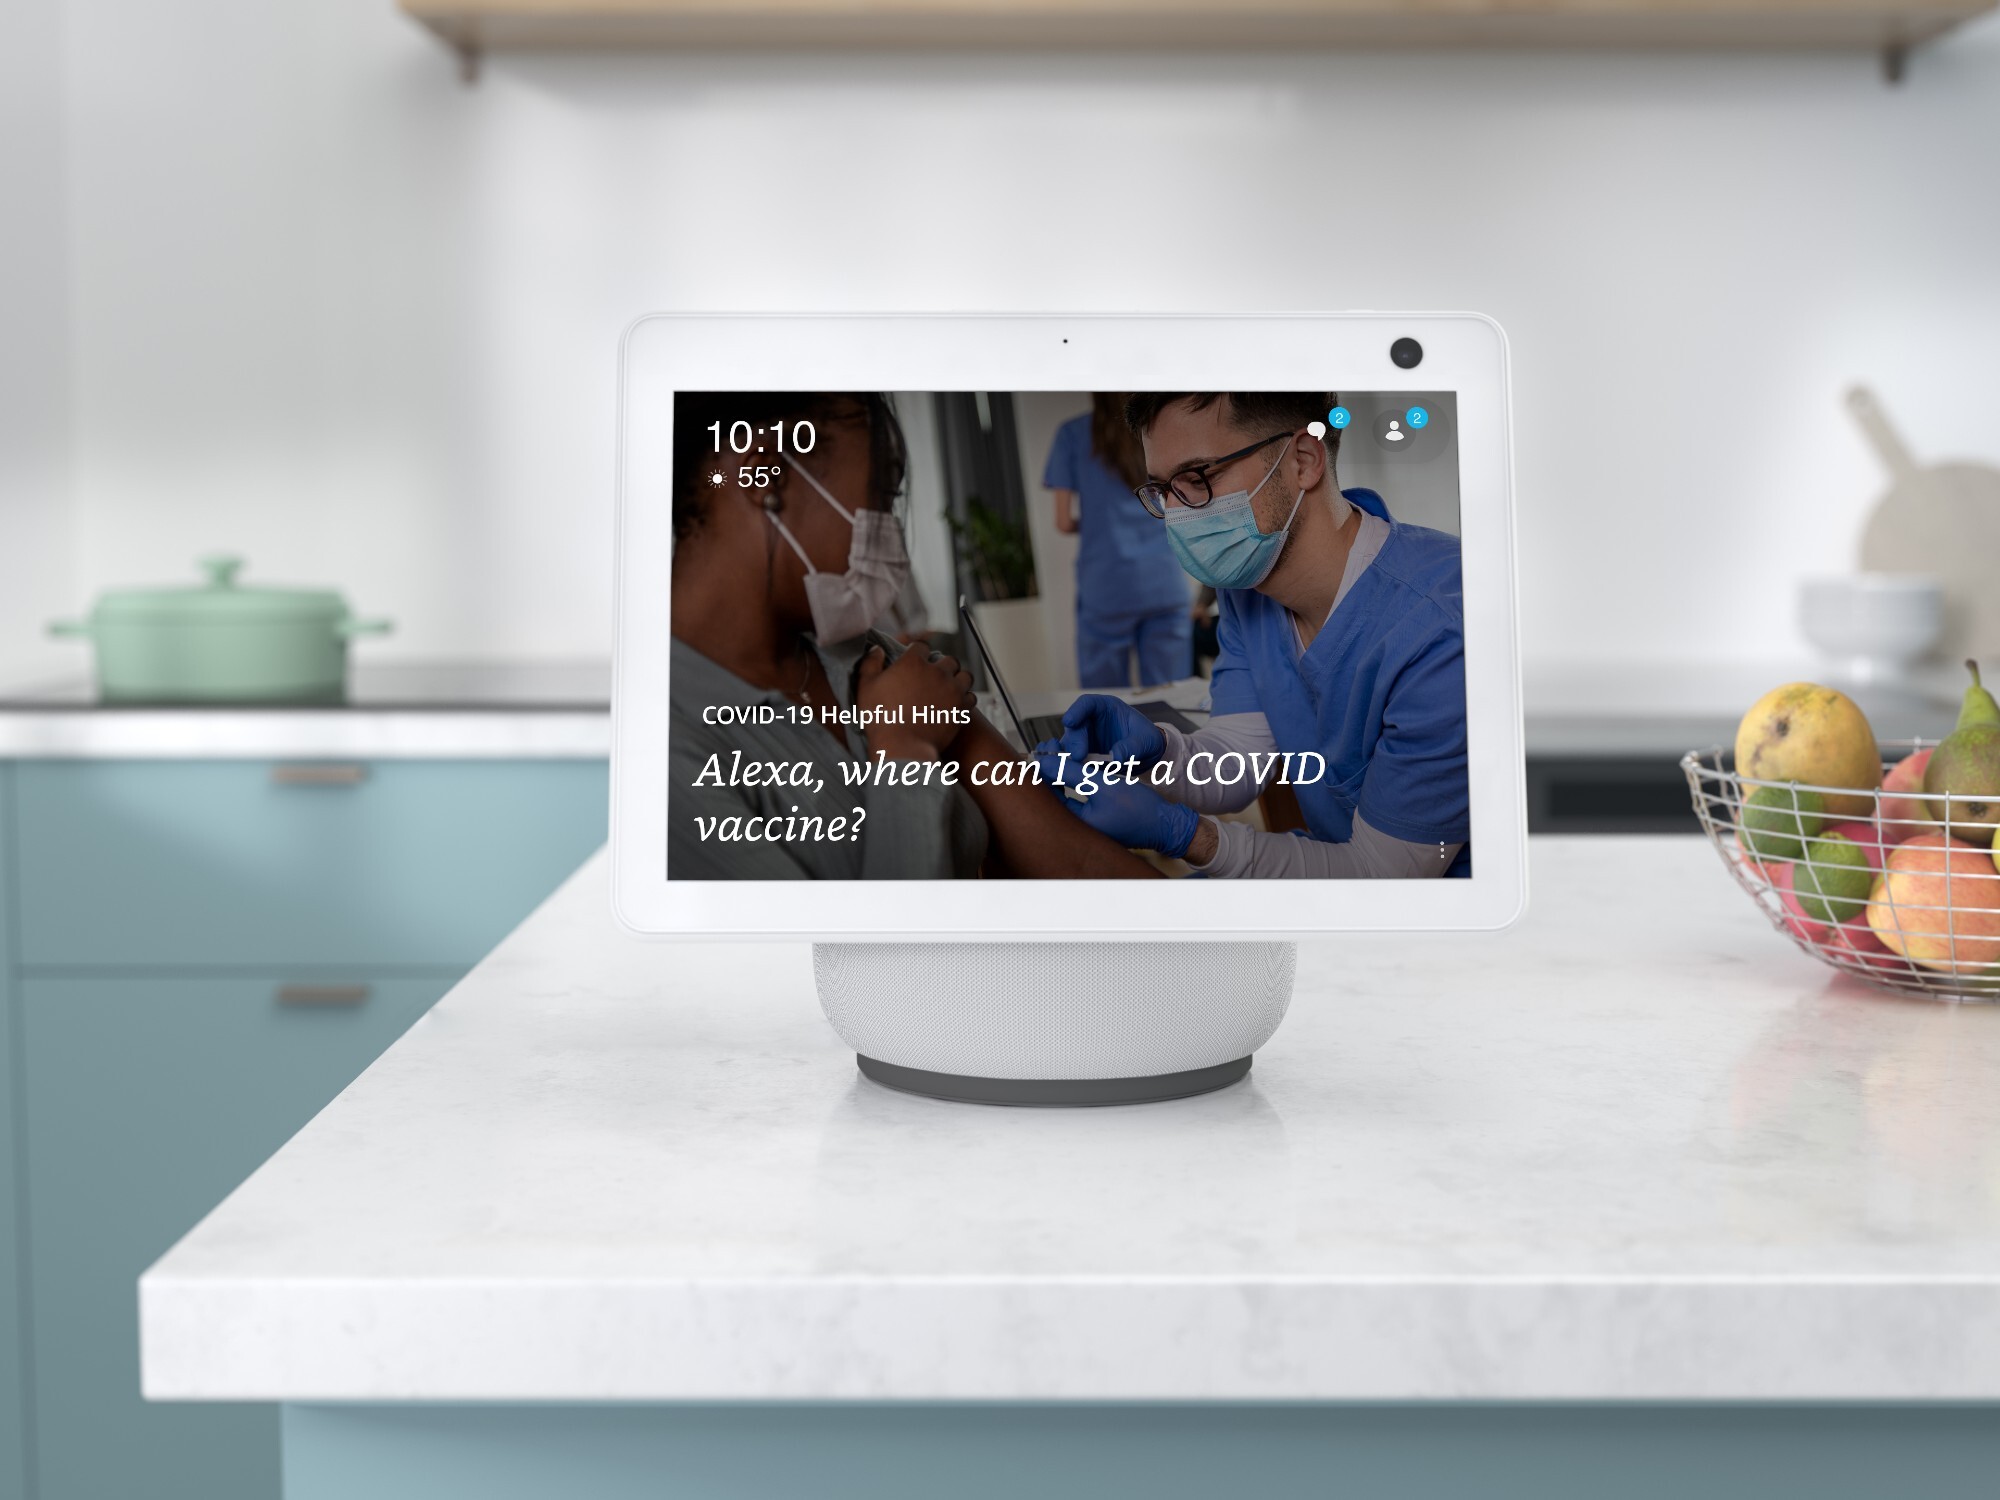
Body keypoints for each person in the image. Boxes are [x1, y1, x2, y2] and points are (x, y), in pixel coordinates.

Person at [668, 391, 1157, 882]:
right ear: (764, 476)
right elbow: (850, 957)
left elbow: (1070, 856)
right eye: (883, 493)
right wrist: (905, 750)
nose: (892, 535)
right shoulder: (663, 745)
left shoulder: (864, 656)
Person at [1037, 392, 1469, 879]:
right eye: (1162, 489)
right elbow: (1240, 755)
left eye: (1197, 478)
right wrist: (1162, 752)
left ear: (1303, 461)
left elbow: (1381, 877)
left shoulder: (1441, 632)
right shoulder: (1248, 588)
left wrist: (1189, 836)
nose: (1179, 514)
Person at [1044, 394, 1193, 688]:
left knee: (1106, 700)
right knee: (1174, 697)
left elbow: (1063, 522)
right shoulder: (1159, 426)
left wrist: (1100, 524)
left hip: (1106, 586)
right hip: (1164, 581)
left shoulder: (1072, 434)